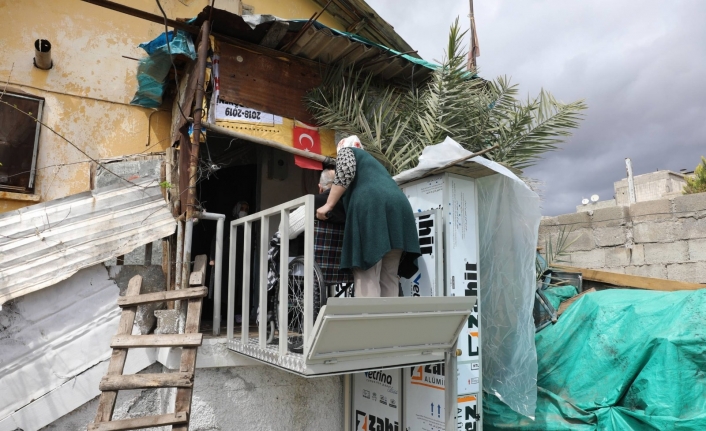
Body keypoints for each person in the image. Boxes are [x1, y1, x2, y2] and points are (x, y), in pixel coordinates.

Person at [316, 135, 421, 297]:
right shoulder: (375, 166)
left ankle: (367, 319)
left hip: (373, 210)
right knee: (389, 276)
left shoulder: (348, 152)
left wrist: (328, 205)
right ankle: (386, 322)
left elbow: (345, 171)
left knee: (367, 273)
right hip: (400, 213)